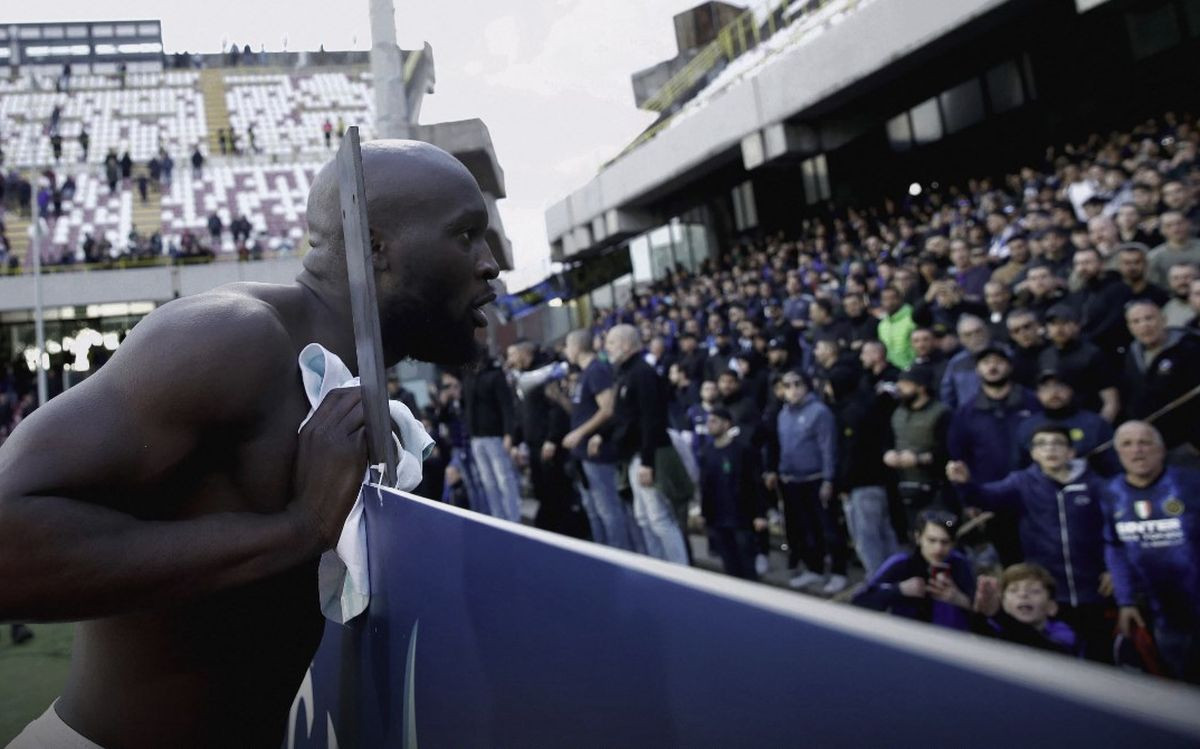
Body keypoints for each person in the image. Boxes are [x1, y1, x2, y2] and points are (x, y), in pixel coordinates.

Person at [0, 140, 501, 745]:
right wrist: (299, 528)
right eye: (466, 235)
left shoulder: (345, 376)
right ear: (374, 248)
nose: (491, 261)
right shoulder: (230, 337)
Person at [947, 424, 1113, 661]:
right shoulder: (1022, 482)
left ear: (1071, 452)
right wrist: (964, 484)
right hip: (1047, 595)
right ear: (1034, 454)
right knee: (1055, 660)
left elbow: (1113, 529)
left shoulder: (1096, 484)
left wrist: (1111, 568)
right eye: (1042, 444)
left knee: (1100, 659)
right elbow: (985, 497)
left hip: (1094, 590)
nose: (1050, 449)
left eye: (1057, 443)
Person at [1105, 421, 1200, 683]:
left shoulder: (1191, 483)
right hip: (1161, 615)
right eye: (1127, 444)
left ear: (1161, 449)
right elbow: (1114, 547)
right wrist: (1125, 600)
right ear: (1118, 453)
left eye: (1145, 442)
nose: (1137, 451)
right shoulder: (1110, 494)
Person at [603, 324, 690, 564]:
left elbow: (651, 420)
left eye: (611, 343)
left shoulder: (642, 373)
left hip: (646, 455)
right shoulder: (625, 372)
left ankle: (679, 571)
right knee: (643, 517)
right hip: (633, 456)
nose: (607, 348)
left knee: (659, 518)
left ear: (627, 344)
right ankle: (658, 565)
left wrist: (647, 462)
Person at [764, 371, 844, 594]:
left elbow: (828, 449)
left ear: (807, 386)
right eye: (787, 385)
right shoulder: (783, 414)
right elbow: (781, 447)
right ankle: (814, 568)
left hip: (815, 478)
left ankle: (839, 572)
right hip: (790, 479)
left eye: (797, 384)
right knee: (803, 529)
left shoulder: (819, 412)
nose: (792, 389)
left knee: (828, 528)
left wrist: (829, 479)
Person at [561, 329, 632, 550]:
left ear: (576, 347)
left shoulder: (597, 371)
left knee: (608, 511)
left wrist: (579, 433)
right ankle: (602, 555)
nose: (565, 351)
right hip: (584, 454)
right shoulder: (584, 374)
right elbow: (583, 410)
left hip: (598, 453)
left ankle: (619, 558)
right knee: (594, 512)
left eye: (567, 346)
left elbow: (608, 408)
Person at [853, 510, 976, 631]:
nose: (938, 549)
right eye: (932, 540)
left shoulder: (959, 564)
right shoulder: (902, 562)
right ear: (918, 538)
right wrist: (899, 589)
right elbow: (861, 600)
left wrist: (959, 599)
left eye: (945, 542)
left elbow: (984, 613)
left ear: (953, 543)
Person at [829, 367, 897, 576]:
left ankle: (880, 583)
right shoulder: (866, 404)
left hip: (862, 485)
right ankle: (893, 579)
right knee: (884, 535)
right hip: (877, 481)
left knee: (868, 540)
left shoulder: (853, 412)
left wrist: (843, 484)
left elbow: (852, 452)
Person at [1121, 300, 1200, 452]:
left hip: (1189, 443)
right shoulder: (1132, 353)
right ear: (1130, 327)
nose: (1144, 325)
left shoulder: (1189, 348)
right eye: (1136, 321)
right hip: (1151, 442)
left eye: (1149, 318)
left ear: (1163, 319)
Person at [697, 408, 767, 580]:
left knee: (746, 566)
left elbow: (756, 484)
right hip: (718, 519)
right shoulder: (706, 452)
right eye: (708, 421)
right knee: (729, 566)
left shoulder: (742, 450)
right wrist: (704, 513)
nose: (710, 425)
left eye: (714, 421)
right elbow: (705, 486)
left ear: (726, 424)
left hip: (741, 518)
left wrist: (760, 514)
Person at [885, 365, 950, 535]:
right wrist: (888, 453)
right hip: (905, 486)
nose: (899, 388)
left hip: (935, 488)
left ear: (921, 387)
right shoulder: (897, 412)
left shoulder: (941, 413)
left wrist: (919, 459)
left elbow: (947, 451)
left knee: (945, 527)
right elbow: (888, 440)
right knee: (914, 534)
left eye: (905, 384)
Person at [463, 351, 522, 521]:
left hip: (495, 436)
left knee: (504, 479)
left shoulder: (495, 376)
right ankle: (498, 519)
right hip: (477, 437)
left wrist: (508, 434)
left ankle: (513, 519)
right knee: (488, 482)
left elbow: (507, 407)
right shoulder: (469, 378)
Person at [971, 563, 1077, 655]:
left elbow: (1045, 648)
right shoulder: (995, 627)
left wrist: (998, 614)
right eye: (1014, 590)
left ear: (1051, 607)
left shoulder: (1063, 634)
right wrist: (980, 611)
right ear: (1003, 603)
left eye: (1034, 591)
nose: (1023, 594)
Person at [1038, 304, 1119, 422]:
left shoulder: (1093, 354)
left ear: (1077, 325)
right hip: (1054, 425)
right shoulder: (1045, 355)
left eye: (1064, 323)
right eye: (1053, 324)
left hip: (1088, 420)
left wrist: (1099, 430)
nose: (1059, 329)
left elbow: (1111, 401)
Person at [877, 285, 916, 368]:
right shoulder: (882, 324)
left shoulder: (913, 318)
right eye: (885, 299)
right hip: (890, 372)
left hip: (911, 369)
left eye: (892, 298)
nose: (889, 302)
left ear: (900, 299)